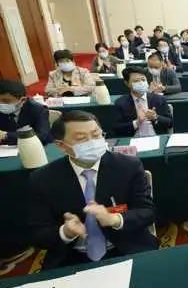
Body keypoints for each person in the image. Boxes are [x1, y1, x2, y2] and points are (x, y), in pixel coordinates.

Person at [28, 111, 157, 269]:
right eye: (81, 139)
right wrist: (65, 232)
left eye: (96, 135)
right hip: (72, 256)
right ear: (61, 145)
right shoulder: (43, 179)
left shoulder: (128, 166)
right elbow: (37, 234)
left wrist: (115, 219)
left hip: (127, 246)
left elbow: (147, 211)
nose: (92, 142)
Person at [113, 67, 173, 137]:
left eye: (143, 80)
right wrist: (136, 123)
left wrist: (156, 117)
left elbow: (170, 123)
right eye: (136, 81)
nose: (141, 83)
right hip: (134, 139)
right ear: (127, 83)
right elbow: (117, 129)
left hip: (156, 137)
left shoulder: (159, 99)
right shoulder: (120, 103)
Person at [0, 80, 52, 145]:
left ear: (23, 100)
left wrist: (6, 135)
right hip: (6, 148)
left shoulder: (38, 110)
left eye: (6, 101)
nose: (1, 104)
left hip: (36, 146)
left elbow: (41, 136)